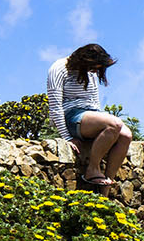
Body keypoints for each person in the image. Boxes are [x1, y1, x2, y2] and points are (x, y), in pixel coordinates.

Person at [46, 43, 131, 190]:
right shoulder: (58, 68)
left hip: (90, 116)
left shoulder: (90, 72)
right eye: (93, 68)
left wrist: (100, 125)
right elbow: (55, 106)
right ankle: (92, 169)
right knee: (115, 124)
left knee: (126, 135)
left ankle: (107, 184)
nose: (94, 71)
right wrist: (67, 137)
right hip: (71, 116)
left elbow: (94, 101)